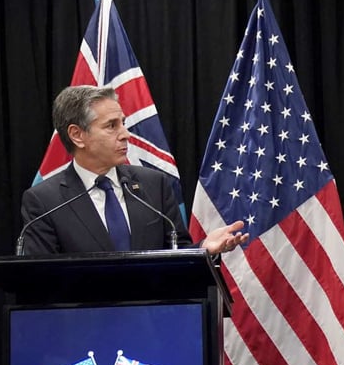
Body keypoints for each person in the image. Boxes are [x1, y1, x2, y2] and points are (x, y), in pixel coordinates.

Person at [20, 85, 247, 255]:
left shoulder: (154, 186)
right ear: (77, 135)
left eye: (123, 123)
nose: (125, 134)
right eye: (111, 126)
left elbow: (177, 256)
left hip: (154, 316)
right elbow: (40, 280)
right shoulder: (45, 202)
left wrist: (203, 249)